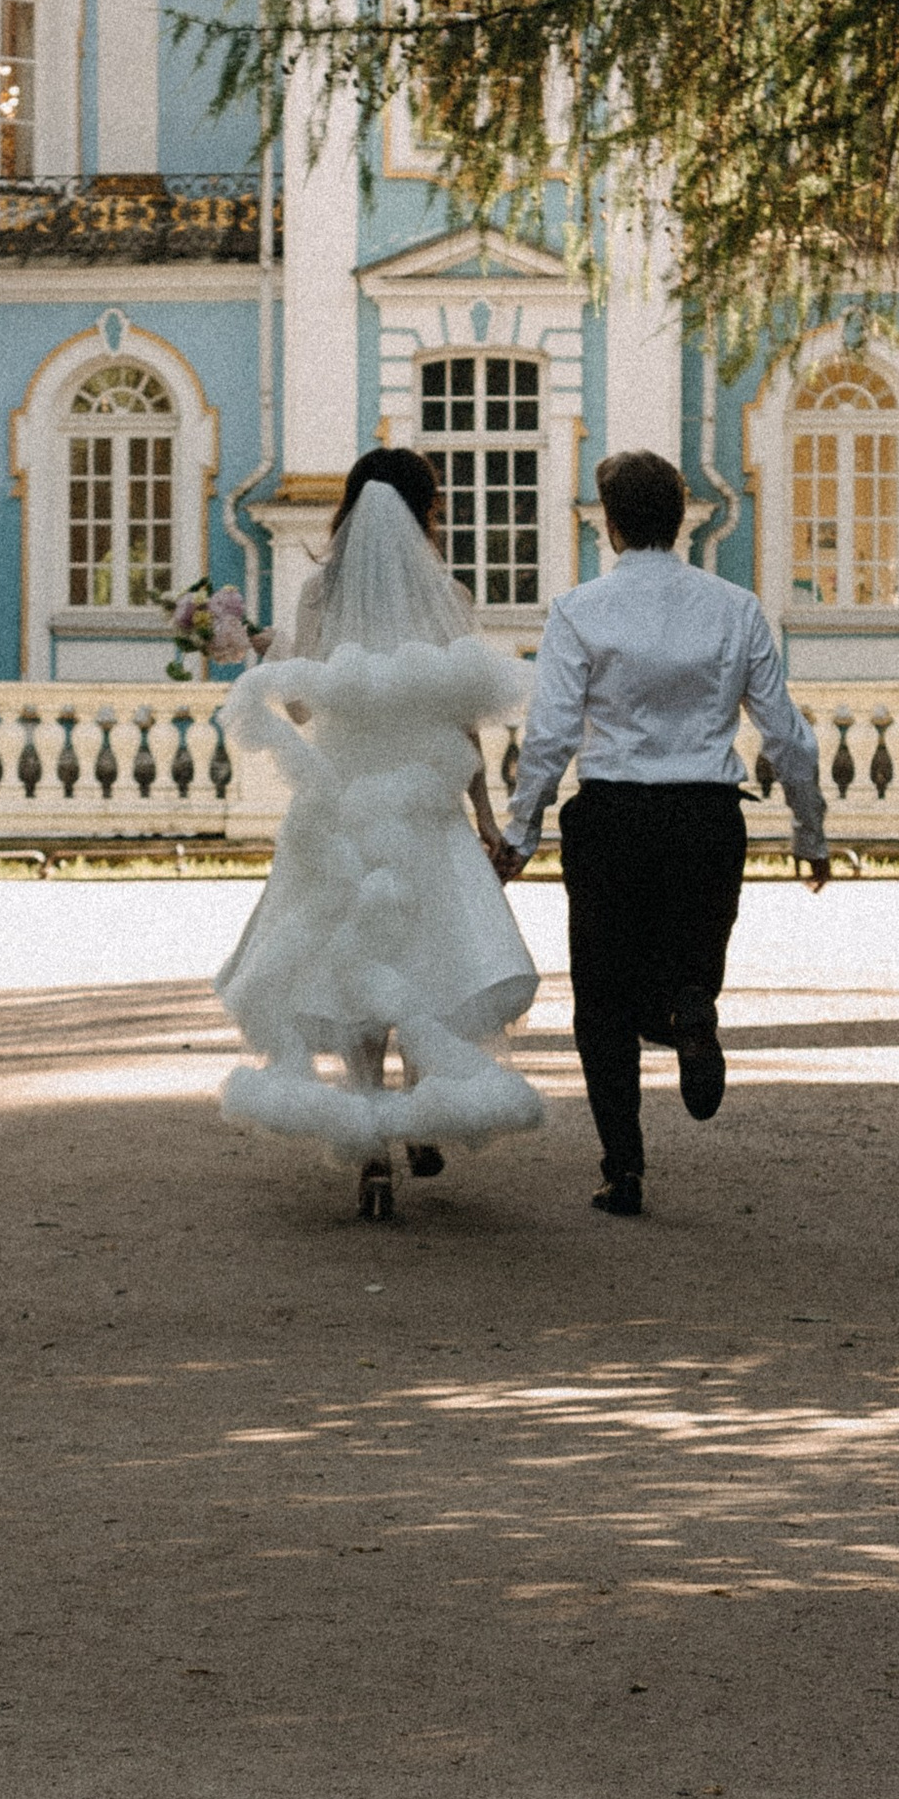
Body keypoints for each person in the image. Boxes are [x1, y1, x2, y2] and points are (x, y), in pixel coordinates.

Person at [492, 447, 831, 1218]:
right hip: (707, 819)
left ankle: (626, 1170)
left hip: (611, 818)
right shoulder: (735, 608)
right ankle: (690, 1011)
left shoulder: (580, 611)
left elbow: (548, 737)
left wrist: (521, 831)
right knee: (689, 959)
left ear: (610, 526)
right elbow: (788, 737)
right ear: (680, 522)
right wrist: (810, 835)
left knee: (602, 998)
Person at [216, 446, 544, 1220]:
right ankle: (422, 1107)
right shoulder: (448, 595)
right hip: (425, 806)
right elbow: (461, 720)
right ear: (425, 510)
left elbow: (301, 711)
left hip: (341, 807)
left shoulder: (320, 597)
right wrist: (488, 817)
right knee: (428, 957)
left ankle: (371, 1153)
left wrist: (269, 652)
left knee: (352, 963)